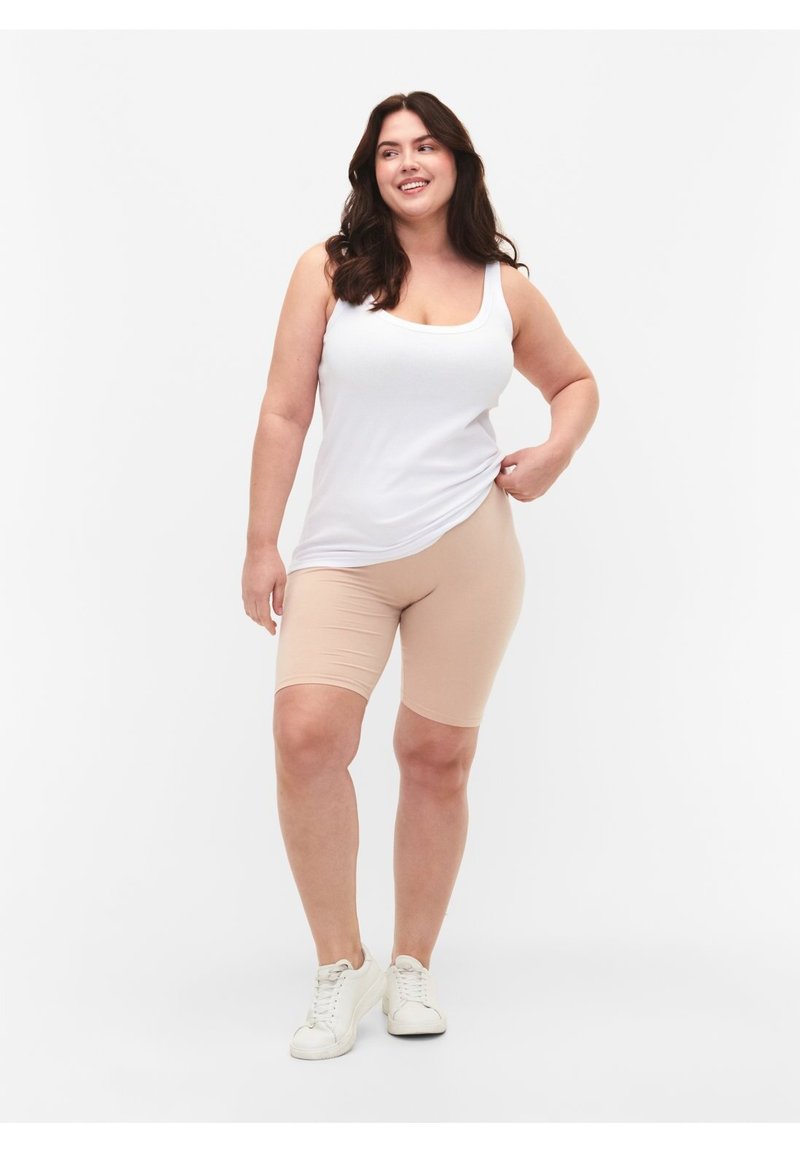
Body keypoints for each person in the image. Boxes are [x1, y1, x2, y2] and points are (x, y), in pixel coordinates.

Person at [241, 91, 599, 1061]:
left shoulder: (501, 287)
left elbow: (573, 383)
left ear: (455, 161)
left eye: (425, 144)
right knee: (307, 736)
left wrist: (553, 453)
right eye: (389, 149)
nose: (408, 161)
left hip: (467, 555)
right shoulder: (326, 272)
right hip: (341, 556)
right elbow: (283, 414)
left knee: (434, 759)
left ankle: (409, 968)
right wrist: (261, 544)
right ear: (370, 169)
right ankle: (337, 967)